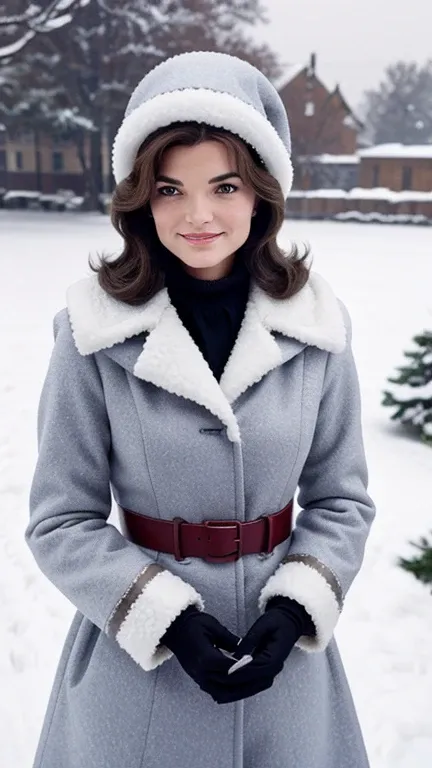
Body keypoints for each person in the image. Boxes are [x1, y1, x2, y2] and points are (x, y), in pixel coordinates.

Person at [25, 51, 376, 768]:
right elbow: (60, 520)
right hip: (139, 671)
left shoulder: (316, 327)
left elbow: (343, 500)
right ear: (140, 200)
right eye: (169, 188)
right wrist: (168, 619)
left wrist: (297, 608)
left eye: (224, 184)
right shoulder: (93, 334)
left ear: (261, 193)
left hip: (286, 677)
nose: (199, 215)